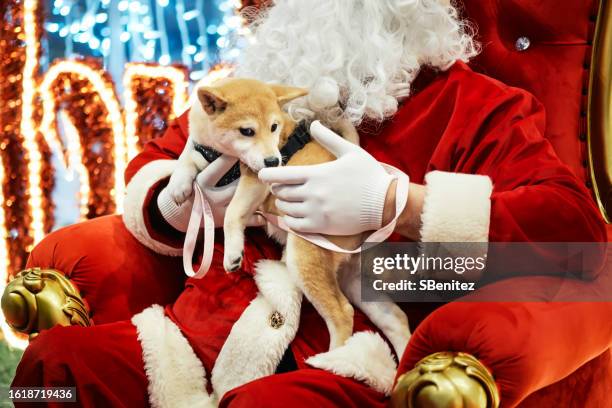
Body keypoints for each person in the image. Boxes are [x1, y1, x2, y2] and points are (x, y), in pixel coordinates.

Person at [12, 0, 606, 407]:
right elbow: (155, 163)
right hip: (199, 335)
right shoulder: (263, 83)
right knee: (53, 369)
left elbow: (576, 235)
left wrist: (399, 203)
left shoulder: (477, 107)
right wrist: (179, 200)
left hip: (350, 351)